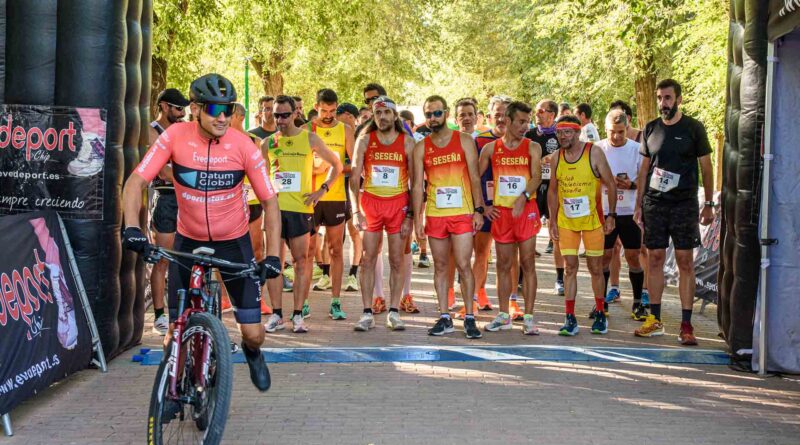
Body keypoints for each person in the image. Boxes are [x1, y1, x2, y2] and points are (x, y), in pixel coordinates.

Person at [122, 73, 282, 392]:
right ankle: (173, 389)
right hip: (188, 240)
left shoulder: (244, 146)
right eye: (213, 109)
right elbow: (135, 182)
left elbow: (270, 202)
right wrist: (132, 228)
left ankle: (252, 353)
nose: (222, 116)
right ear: (196, 108)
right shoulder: (175, 136)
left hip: (233, 244)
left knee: (254, 333)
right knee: (174, 333)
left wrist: (275, 255)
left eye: (228, 108)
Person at [634, 79, 715, 345]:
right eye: (659, 98)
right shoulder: (650, 128)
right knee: (654, 258)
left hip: (684, 204)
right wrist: (638, 205)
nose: (662, 103)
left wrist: (709, 205)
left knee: (685, 262)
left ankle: (686, 324)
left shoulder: (694, 128)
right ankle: (654, 320)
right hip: (655, 204)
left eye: (667, 98)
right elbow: (644, 170)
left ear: (679, 99)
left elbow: (706, 167)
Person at [262, 95, 343, 334]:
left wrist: (322, 190)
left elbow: (337, 165)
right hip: (276, 211)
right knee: (273, 264)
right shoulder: (269, 143)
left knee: (301, 262)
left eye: (285, 115)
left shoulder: (309, 138)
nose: (280, 120)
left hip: (300, 209)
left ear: (296, 114)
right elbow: (261, 175)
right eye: (276, 115)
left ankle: (298, 314)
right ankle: (277, 314)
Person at [412, 95, 485, 339]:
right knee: (441, 266)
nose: (432, 118)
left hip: (462, 213)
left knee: (464, 265)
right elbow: (417, 187)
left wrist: (479, 209)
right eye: (428, 114)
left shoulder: (464, 140)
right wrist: (417, 220)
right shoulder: (421, 147)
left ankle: (470, 317)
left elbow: (475, 177)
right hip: (435, 214)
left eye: (437, 113)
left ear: (445, 114)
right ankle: (444, 317)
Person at [350, 96, 416, 331]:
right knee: (367, 259)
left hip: (398, 206)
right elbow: (354, 177)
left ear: (395, 115)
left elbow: (417, 183)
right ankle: (367, 311)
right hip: (371, 205)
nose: (383, 117)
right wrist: (356, 210)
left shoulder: (407, 142)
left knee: (397, 260)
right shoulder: (365, 140)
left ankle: (395, 312)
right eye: (378, 114)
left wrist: (412, 215)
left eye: (387, 113)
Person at [547, 115, 617, 336]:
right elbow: (553, 190)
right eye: (559, 132)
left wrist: (611, 215)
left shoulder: (593, 152)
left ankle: (599, 312)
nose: (562, 136)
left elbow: (611, 184)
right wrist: (552, 220)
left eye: (567, 132)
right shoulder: (556, 156)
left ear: (578, 132)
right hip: (567, 221)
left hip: (592, 221)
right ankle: (570, 318)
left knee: (595, 268)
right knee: (569, 268)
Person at [479, 101, 543, 335]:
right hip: (502, 213)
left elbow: (536, 177)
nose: (526, 126)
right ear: (507, 121)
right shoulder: (490, 149)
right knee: (503, 265)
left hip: (526, 211)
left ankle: (528, 318)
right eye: (521, 121)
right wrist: (483, 207)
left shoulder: (532, 147)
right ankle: (504, 315)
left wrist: (524, 196)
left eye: (528, 122)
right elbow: (476, 178)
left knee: (527, 263)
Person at [596, 110, 648, 321]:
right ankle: (600, 304)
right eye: (612, 132)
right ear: (605, 129)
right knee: (604, 256)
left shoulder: (637, 149)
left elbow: (645, 178)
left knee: (633, 256)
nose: (616, 136)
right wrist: (606, 182)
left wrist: (632, 185)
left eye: (620, 132)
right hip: (607, 211)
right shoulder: (597, 148)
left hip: (629, 211)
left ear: (628, 128)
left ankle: (638, 303)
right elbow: (590, 176)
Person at [307, 89, 354, 321]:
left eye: (332, 111)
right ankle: (302, 302)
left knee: (336, 249)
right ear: (316, 107)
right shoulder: (307, 130)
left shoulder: (345, 130)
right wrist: (314, 169)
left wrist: (334, 165)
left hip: (335, 196)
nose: (328, 115)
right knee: (307, 251)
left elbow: (353, 165)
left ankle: (335, 301)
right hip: (310, 197)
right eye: (324, 110)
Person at [147, 87, 189, 334]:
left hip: (187, 198)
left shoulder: (183, 130)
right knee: (163, 259)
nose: (182, 113)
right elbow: (162, 170)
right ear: (164, 106)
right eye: (177, 108)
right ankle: (160, 315)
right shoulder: (153, 131)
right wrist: (193, 178)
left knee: (184, 259)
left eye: (183, 109)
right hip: (166, 198)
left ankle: (180, 311)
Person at [454, 97, 492, 314]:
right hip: (455, 204)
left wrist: (483, 204)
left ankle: (476, 296)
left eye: (470, 114)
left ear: (477, 117)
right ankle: (454, 293)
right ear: (456, 118)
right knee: (456, 254)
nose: (466, 119)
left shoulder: (484, 143)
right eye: (462, 115)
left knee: (481, 252)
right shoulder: (449, 140)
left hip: (479, 204)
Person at [525, 99, 564, 294]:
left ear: (552, 114)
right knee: (526, 235)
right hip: (533, 188)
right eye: (536, 111)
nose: (537, 114)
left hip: (554, 188)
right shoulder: (529, 134)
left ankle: (560, 279)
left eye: (541, 111)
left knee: (556, 235)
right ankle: (522, 277)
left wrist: (554, 160)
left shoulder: (561, 135)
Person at [336, 102, 363, 293]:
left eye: (339, 114)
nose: (335, 118)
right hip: (333, 188)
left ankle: (353, 274)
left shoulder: (360, 135)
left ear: (350, 116)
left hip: (354, 187)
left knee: (354, 230)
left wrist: (336, 166)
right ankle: (327, 274)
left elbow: (357, 166)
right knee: (335, 235)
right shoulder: (333, 133)